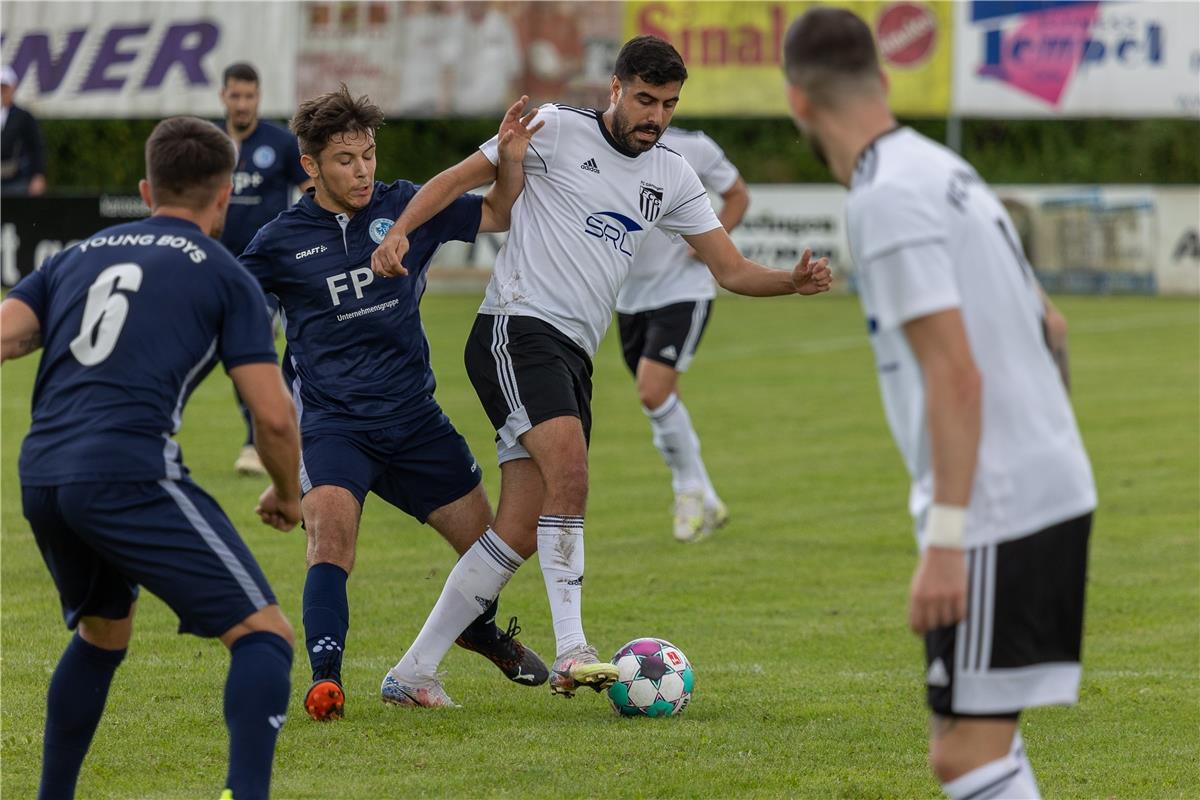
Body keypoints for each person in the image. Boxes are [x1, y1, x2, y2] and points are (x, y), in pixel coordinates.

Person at [371, 35, 832, 701]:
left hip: (571, 355)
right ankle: (572, 649)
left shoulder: (671, 175)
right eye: (645, 100)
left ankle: (413, 671)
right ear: (614, 89)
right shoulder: (554, 130)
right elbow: (454, 180)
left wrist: (790, 282)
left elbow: (730, 269)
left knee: (521, 529)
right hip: (515, 329)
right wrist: (398, 232)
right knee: (573, 472)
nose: (656, 116)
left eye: (669, 105)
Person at [782, 9, 1095, 799]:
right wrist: (1044, 447)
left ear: (797, 103)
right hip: (1038, 485)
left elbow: (956, 376)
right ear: (883, 81)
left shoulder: (884, 197)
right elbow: (1050, 326)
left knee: (965, 754)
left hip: (997, 507)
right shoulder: (942, 167)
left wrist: (951, 538)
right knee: (963, 742)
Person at [0, 116, 302, 800]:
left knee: (104, 633)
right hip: (126, 469)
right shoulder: (227, 276)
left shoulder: (75, 256)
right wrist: (288, 494)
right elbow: (276, 416)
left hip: (41, 472)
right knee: (265, 636)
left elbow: (6, 336)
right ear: (224, 195)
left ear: (146, 187)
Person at [239, 85, 548, 717]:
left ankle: (476, 632)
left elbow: (497, 211)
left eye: (368, 155)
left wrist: (511, 157)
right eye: (345, 159)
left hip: (414, 420)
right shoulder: (279, 239)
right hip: (333, 424)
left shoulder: (406, 206)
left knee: (489, 547)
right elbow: (232, 302)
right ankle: (327, 680)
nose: (361, 171)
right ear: (311, 166)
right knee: (329, 538)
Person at [615, 126, 749, 542]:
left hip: (683, 289)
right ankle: (708, 497)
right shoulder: (605, 145)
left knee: (652, 391)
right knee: (661, 400)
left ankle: (687, 491)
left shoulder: (695, 146)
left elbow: (738, 194)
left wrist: (712, 241)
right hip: (628, 298)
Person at [218, 62, 313, 477]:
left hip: (268, 269)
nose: (242, 104)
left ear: (258, 97)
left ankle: (258, 440)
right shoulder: (209, 142)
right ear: (223, 96)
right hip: (217, 267)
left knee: (252, 345)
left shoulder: (279, 141)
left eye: (249, 96)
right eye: (235, 96)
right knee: (228, 352)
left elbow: (311, 192)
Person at [1, 65, 47, 197]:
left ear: (12, 88)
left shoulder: (23, 116)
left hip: (16, 179)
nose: (1, 92)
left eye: (4, 88)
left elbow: (36, 146)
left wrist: (38, 174)